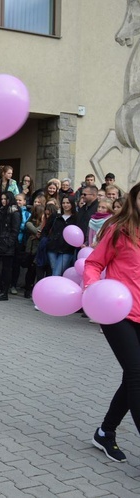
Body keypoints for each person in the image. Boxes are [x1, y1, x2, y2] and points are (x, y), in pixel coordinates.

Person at [85, 181, 140, 464]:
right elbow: (94, 263)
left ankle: (105, 432)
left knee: (131, 378)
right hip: (117, 312)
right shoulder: (119, 230)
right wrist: (93, 291)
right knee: (137, 376)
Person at [0, 192, 21, 301]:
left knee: (6, 270)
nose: (2, 201)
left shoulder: (14, 212)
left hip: (7, 243)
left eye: (5, 199)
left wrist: (8, 243)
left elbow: (15, 231)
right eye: (1, 199)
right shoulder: (0, 210)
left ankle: (4, 292)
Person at [45, 195, 77, 276]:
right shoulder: (55, 216)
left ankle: (53, 288)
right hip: (52, 248)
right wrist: (48, 240)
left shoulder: (76, 217)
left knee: (57, 272)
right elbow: (45, 230)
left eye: (68, 203)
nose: (65, 205)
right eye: (63, 203)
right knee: (54, 270)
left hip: (67, 250)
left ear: (72, 204)